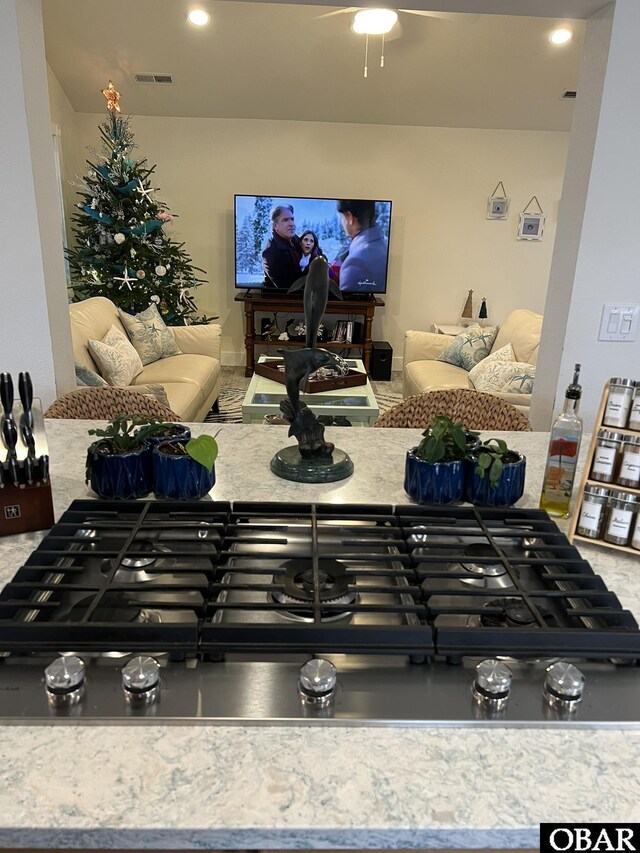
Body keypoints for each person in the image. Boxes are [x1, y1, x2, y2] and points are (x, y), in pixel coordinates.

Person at [333, 200, 388, 293]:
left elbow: (349, 306)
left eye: (341, 217)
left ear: (349, 218)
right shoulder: (381, 245)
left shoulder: (355, 263)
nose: (341, 222)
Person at [262, 204, 302, 291]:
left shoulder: (298, 241)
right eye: (285, 220)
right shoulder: (271, 252)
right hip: (280, 301)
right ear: (274, 226)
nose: (291, 223)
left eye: (292, 219)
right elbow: (286, 286)